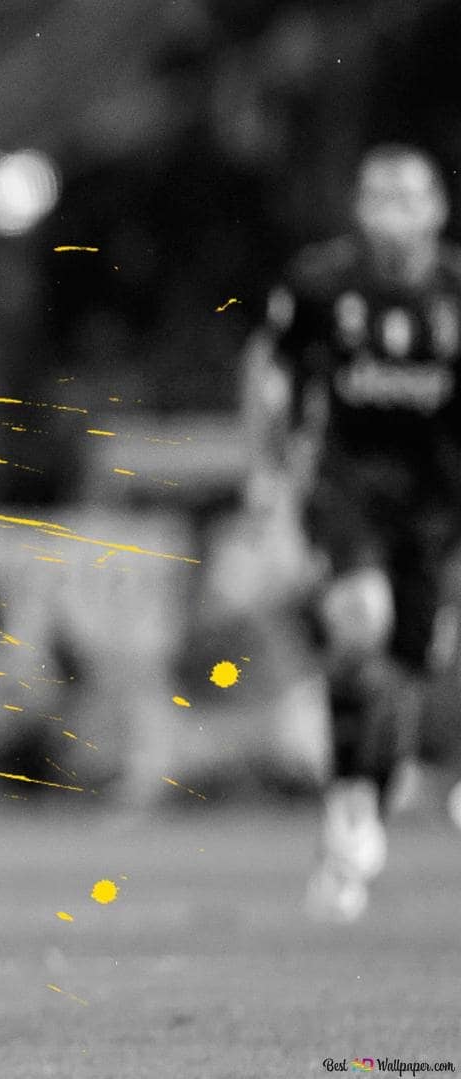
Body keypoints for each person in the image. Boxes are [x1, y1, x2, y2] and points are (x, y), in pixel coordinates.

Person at [244, 143, 461, 923]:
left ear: (437, 208)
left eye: (409, 197)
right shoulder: (321, 283)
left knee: (409, 667)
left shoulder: (454, 291)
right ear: (359, 209)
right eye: (379, 196)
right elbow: (269, 368)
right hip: (349, 489)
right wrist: (267, 470)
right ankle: (348, 799)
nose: (394, 213)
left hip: (438, 504)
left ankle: (364, 797)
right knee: (359, 621)